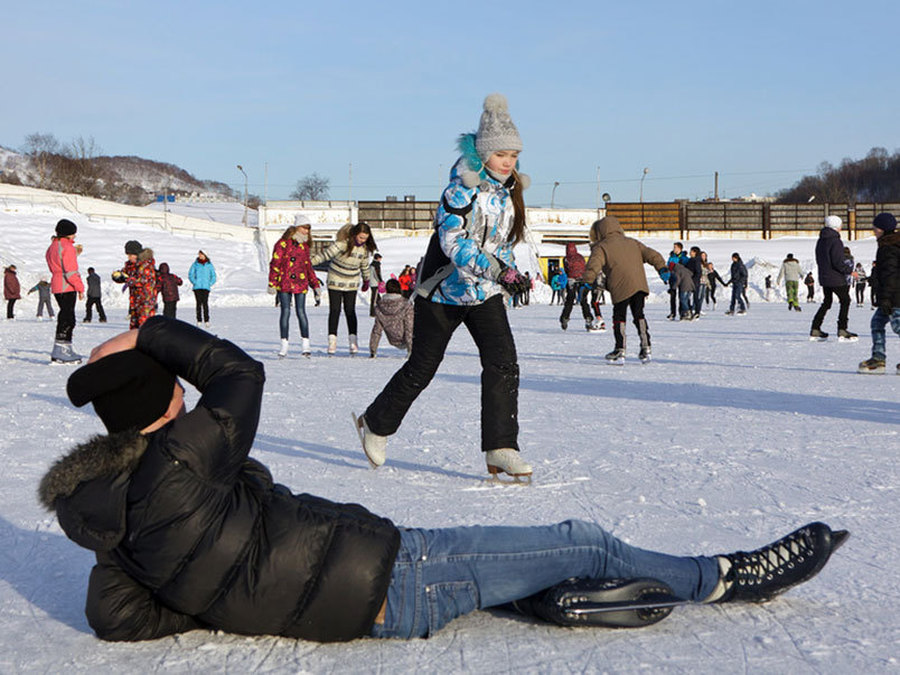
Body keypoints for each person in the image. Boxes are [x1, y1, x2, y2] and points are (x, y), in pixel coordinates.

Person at [40, 316, 849, 643]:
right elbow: (240, 372)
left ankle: (548, 596)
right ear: (166, 401)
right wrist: (149, 328)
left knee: (531, 564)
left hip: (363, 601)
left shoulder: (114, 517)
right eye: (175, 390)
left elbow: (114, 615)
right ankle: (723, 576)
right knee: (583, 536)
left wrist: (221, 598)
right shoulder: (187, 458)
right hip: (398, 571)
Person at [355, 93, 533, 481]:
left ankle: (501, 447)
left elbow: (501, 244)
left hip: (482, 293)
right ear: (483, 153)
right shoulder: (460, 189)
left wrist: (513, 272)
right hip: (443, 292)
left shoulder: (505, 196)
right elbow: (454, 242)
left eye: (514, 156)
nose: (508, 162)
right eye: (501, 154)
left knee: (503, 364)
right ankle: (375, 424)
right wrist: (496, 271)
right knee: (423, 366)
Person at [582, 215, 667, 363]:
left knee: (619, 317)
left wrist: (587, 282)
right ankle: (646, 347)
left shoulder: (602, 247)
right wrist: (662, 269)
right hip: (639, 284)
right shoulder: (633, 242)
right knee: (639, 314)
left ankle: (620, 349)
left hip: (620, 285)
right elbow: (653, 255)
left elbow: (593, 265)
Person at [310, 222, 375, 355]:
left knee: (350, 311)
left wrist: (366, 280)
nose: (362, 240)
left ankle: (353, 341)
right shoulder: (342, 244)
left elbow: (364, 265)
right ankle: (332, 342)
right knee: (335, 310)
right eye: (361, 237)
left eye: (365, 238)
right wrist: (308, 263)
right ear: (355, 234)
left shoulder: (364, 250)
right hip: (335, 280)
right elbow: (324, 255)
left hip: (351, 282)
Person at [268, 216, 320, 358]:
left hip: (301, 283)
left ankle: (306, 344)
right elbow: (275, 263)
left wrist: (315, 284)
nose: (306, 231)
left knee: (301, 312)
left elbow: (308, 266)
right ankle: (284, 344)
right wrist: (272, 283)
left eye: (308, 229)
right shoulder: (283, 244)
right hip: (284, 283)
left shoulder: (305, 246)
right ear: (297, 227)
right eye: (304, 228)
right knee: (285, 312)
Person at [858, 213, 900, 374]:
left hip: (895, 297)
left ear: (881, 229)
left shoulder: (889, 248)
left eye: (875, 227)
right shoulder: (887, 245)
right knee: (877, 323)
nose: (873, 230)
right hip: (890, 295)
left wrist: (887, 299)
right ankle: (878, 358)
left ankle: (878, 357)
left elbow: (891, 275)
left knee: (898, 326)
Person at [810, 216, 856, 341]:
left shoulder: (821, 240)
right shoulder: (835, 241)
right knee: (845, 300)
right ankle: (842, 328)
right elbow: (837, 262)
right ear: (837, 227)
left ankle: (815, 328)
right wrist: (850, 271)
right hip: (835, 278)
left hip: (825, 277)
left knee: (827, 302)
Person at [45, 218, 85, 363]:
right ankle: (61, 350)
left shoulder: (52, 247)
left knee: (65, 316)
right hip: (67, 286)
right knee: (68, 318)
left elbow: (56, 266)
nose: (75, 236)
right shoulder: (67, 248)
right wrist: (80, 287)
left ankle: (63, 348)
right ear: (68, 234)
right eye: (74, 234)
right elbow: (70, 272)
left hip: (57, 285)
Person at [112, 240, 158, 329]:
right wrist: (118, 276)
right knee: (134, 328)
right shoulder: (131, 265)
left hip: (145, 301)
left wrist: (127, 279)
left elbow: (143, 280)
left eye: (130, 255)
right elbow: (125, 274)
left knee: (144, 328)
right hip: (135, 301)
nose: (128, 258)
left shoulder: (146, 265)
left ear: (136, 254)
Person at [370, 278, 414, 358]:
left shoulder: (380, 307)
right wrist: (411, 349)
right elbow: (409, 327)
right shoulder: (406, 305)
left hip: (393, 340)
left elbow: (377, 330)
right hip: (406, 340)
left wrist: (373, 350)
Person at [559, 243, 599, 331]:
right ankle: (588, 318)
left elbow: (567, 270)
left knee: (569, 300)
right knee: (583, 300)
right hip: (582, 280)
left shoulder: (566, 259)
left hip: (571, 281)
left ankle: (565, 318)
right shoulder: (580, 257)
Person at [188, 250, 216, 326]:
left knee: (205, 304)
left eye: (201, 254)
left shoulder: (209, 265)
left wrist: (209, 283)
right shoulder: (195, 264)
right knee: (198, 304)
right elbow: (190, 274)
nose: (200, 255)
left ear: (205, 255)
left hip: (206, 287)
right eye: (199, 254)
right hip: (197, 287)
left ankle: (207, 320)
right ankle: (199, 320)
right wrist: (194, 282)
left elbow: (213, 276)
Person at [666, 242, 688, 319]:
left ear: (679, 248)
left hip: (681, 279)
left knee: (681, 296)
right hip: (672, 278)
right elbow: (668, 267)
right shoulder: (671, 257)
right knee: (672, 296)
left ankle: (682, 312)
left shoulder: (684, 258)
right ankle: (673, 313)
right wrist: (666, 277)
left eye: (675, 247)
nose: (674, 249)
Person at [685, 246, 703, 319]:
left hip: (694, 282)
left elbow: (698, 272)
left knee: (695, 298)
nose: (690, 253)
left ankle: (697, 312)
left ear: (695, 252)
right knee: (688, 297)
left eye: (691, 251)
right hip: (689, 280)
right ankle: (690, 310)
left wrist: (694, 279)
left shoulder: (696, 261)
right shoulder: (691, 260)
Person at [370, 252, 384, 317]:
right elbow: (376, 274)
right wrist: (380, 281)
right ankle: (372, 312)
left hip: (373, 283)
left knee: (378, 298)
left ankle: (381, 310)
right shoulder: (375, 265)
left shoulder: (373, 264)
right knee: (374, 298)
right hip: (374, 283)